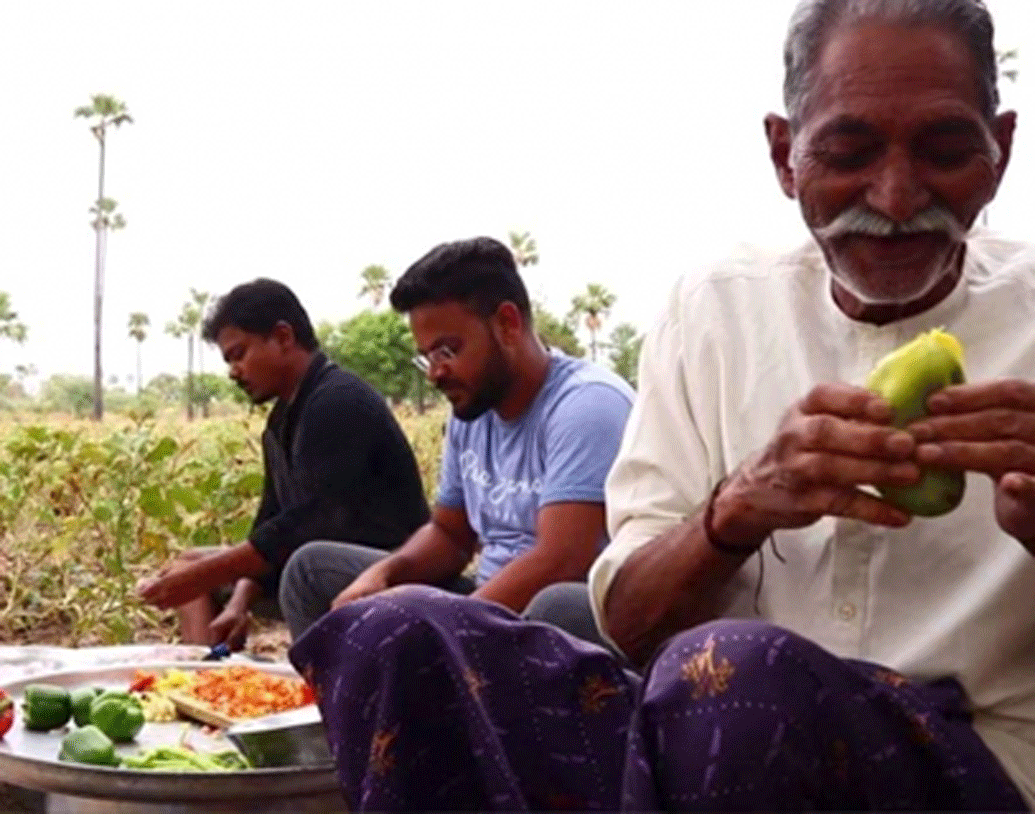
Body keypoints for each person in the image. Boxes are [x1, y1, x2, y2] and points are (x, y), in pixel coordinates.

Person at [287, 1, 1035, 811]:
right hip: (703, 739)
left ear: (998, 152)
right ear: (784, 156)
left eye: (946, 150)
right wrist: (736, 510)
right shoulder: (715, 307)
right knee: (394, 632)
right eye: (848, 152)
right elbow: (635, 625)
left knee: (736, 675)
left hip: (961, 755)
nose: (894, 198)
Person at [278, 236, 635, 644]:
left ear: (507, 323)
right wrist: (387, 573)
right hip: (488, 603)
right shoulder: (472, 407)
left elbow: (563, 559)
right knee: (311, 571)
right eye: (427, 356)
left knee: (554, 605)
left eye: (447, 350)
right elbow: (450, 535)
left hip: (566, 620)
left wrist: (447, 628)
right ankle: (342, 703)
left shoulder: (586, 405)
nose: (435, 373)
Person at [136, 278, 430, 651]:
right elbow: (270, 527)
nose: (233, 371)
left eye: (239, 354)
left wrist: (204, 575)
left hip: (380, 566)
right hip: (305, 559)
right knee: (189, 564)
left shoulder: (337, 402)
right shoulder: (280, 422)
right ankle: (203, 675)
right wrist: (238, 603)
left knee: (235, 568)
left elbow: (311, 525)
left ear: (283, 336)